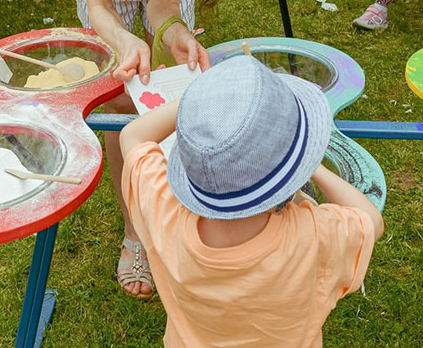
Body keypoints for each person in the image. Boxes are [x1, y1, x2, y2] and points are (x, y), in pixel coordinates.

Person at [62, 0, 237, 300]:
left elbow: (161, 8)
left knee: (172, 86)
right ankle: (136, 230)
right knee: (121, 102)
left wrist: (172, 30)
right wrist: (123, 39)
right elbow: (100, 6)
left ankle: (186, 203)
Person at [120, 56, 381, 346]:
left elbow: (133, 136)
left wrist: (200, 103)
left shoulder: (164, 210)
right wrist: (313, 167)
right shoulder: (312, 236)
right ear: (290, 176)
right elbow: (370, 219)